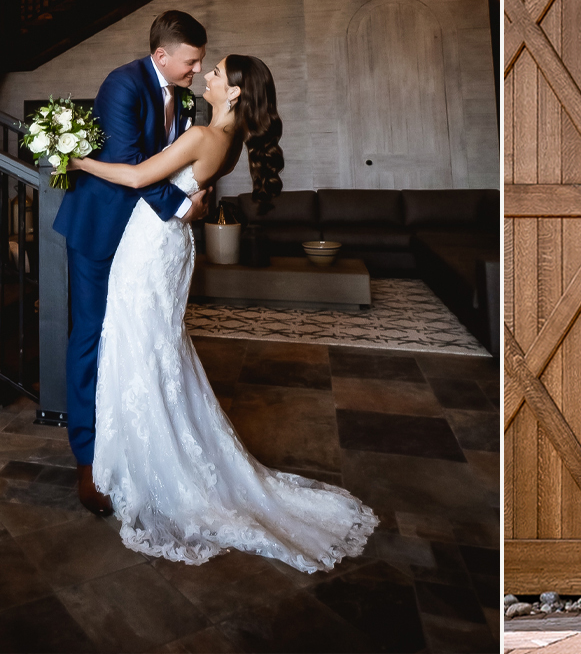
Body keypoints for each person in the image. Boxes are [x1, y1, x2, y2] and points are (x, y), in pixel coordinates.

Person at [71, 54, 377, 571]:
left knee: (137, 345)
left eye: (215, 74)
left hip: (150, 251)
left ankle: (143, 466)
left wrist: (79, 160)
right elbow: (190, 189)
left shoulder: (202, 137)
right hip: (170, 247)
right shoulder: (227, 142)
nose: (206, 77)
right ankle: (133, 454)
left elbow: (137, 175)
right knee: (154, 347)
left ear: (233, 93)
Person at [51, 10, 208, 517]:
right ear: (162, 56)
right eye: (191, 61)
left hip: (142, 238)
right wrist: (181, 206)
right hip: (101, 230)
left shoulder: (182, 96)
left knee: (131, 337)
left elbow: (174, 159)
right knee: (92, 336)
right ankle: (87, 458)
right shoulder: (122, 85)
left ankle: (133, 445)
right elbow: (130, 162)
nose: (196, 72)